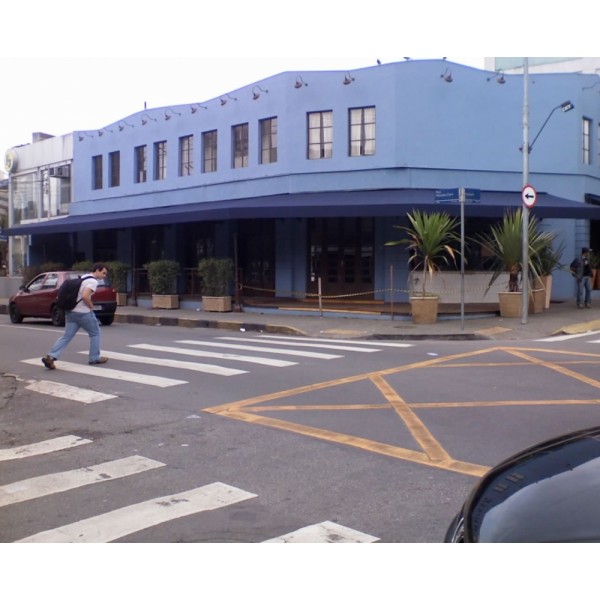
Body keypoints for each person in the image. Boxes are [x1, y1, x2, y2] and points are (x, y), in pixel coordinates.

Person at [42, 263, 110, 369]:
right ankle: (94, 358)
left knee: (66, 336)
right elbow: (85, 296)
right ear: (97, 270)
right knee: (95, 333)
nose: (104, 276)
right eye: (103, 273)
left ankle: (50, 356)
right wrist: (91, 307)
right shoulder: (93, 281)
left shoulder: (83, 278)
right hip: (83, 313)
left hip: (71, 312)